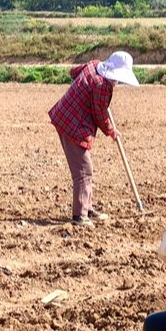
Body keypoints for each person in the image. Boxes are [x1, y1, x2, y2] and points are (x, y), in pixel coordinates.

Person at [48, 51, 139, 227]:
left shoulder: (94, 65)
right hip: (73, 125)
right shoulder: (102, 85)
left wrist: (83, 88)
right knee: (83, 170)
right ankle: (80, 216)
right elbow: (99, 114)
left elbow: (74, 72)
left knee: (85, 169)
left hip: (66, 116)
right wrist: (111, 131)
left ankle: (87, 209)